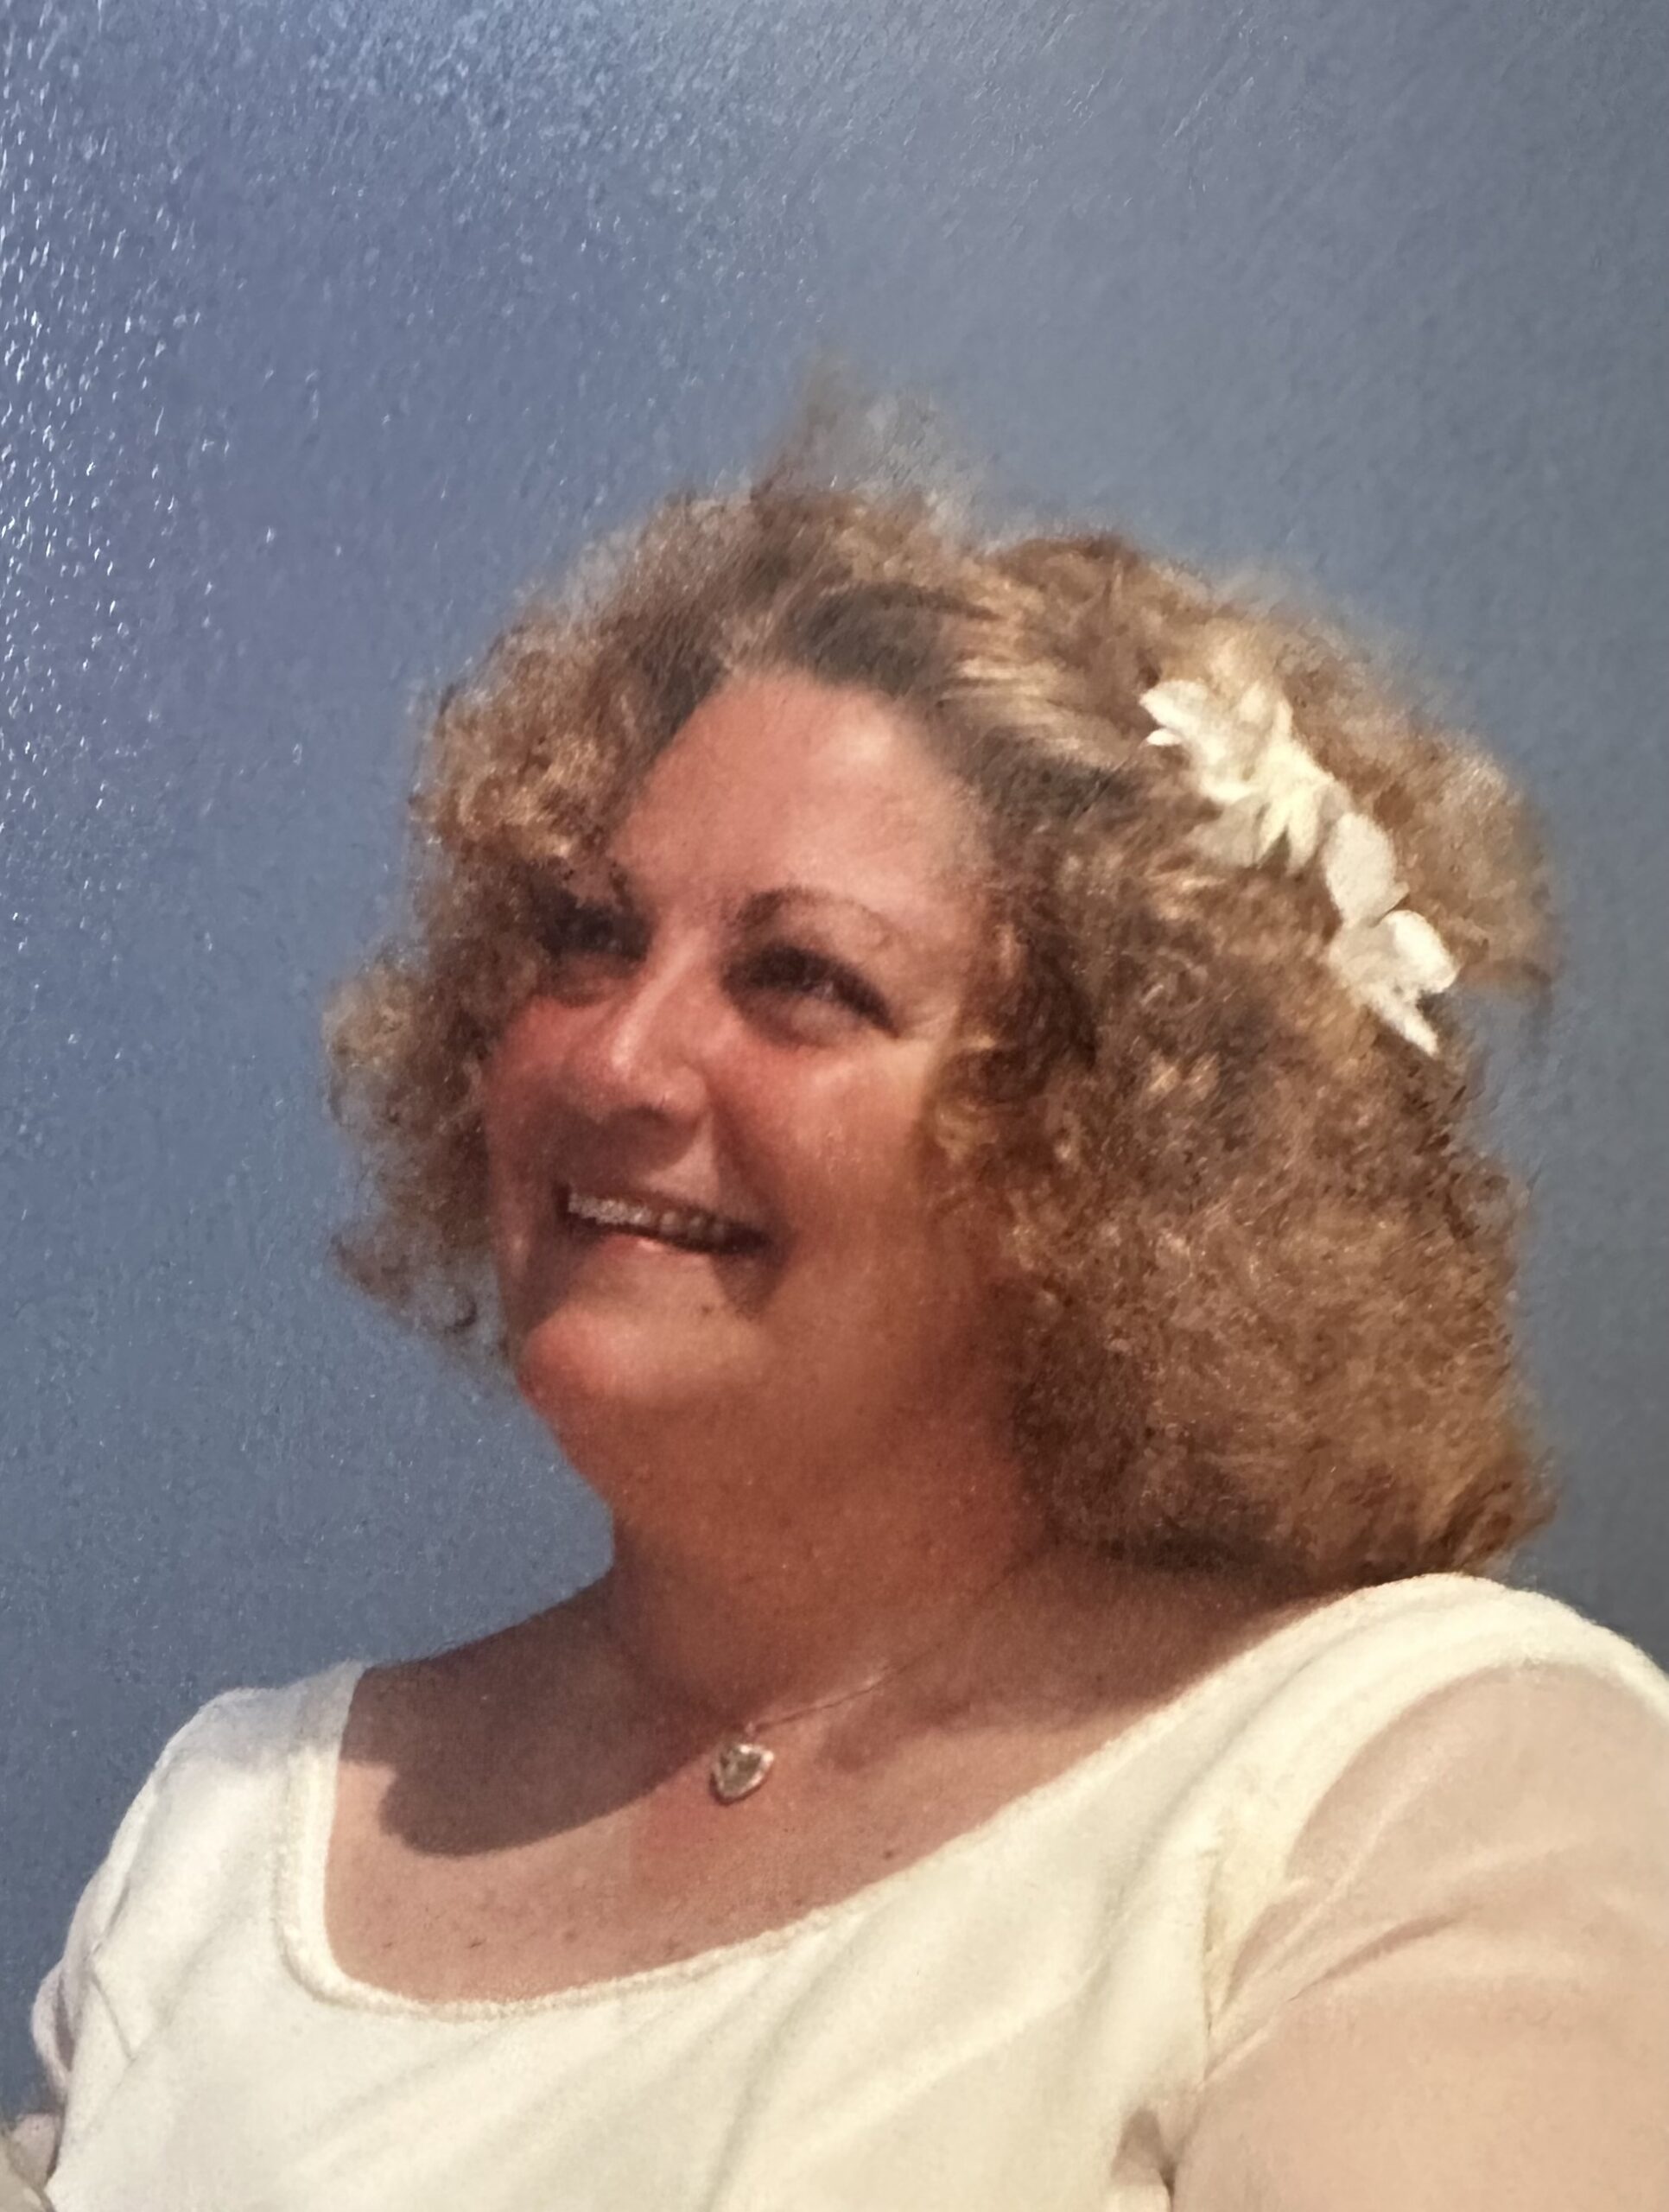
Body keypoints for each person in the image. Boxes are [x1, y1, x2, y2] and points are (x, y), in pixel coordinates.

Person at [16, 406, 1669, 2209]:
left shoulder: (1421, 1786)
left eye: (802, 977)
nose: (617, 1058)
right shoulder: (231, 1837)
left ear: (1115, 1149)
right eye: (588, 936)